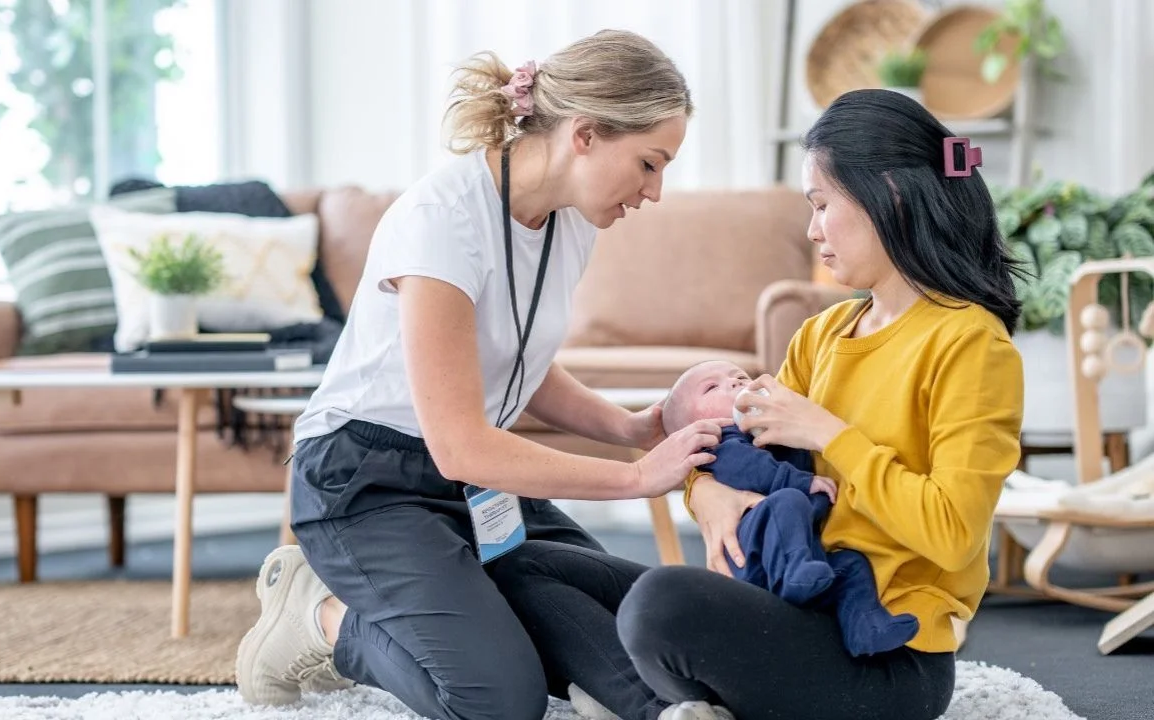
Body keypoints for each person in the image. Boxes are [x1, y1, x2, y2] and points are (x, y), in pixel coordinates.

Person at [233, 29, 732, 720]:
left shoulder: (571, 220)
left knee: (631, 613)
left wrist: (631, 427)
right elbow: (457, 443)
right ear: (584, 134)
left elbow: (513, 355)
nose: (653, 191)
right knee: (496, 700)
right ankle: (321, 621)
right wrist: (634, 475)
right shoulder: (442, 222)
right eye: (648, 163)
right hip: (366, 480)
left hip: (476, 482)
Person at [611, 88, 1026, 720]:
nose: (811, 230)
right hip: (795, 608)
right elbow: (741, 451)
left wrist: (831, 434)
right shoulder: (822, 335)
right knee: (559, 569)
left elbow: (953, 533)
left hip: (886, 657)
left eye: (821, 204)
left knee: (657, 604)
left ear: (887, 195)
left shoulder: (970, 344)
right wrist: (707, 493)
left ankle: (650, 698)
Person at [662, 359, 921, 657]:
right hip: (755, 556)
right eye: (712, 387)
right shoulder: (722, 443)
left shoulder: (770, 433)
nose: (734, 383)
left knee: (851, 563)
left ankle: (865, 627)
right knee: (788, 499)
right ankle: (796, 573)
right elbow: (751, 471)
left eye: (741, 377)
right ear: (695, 428)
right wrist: (801, 482)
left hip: (804, 559)